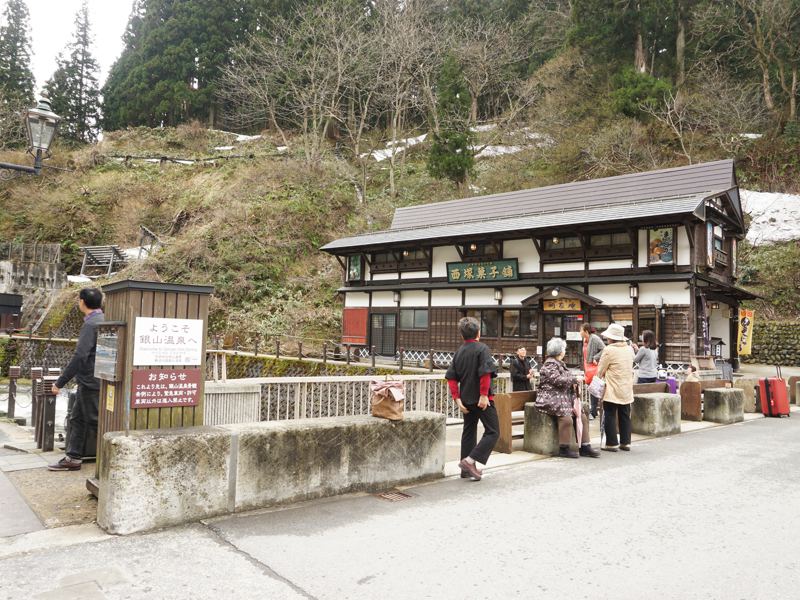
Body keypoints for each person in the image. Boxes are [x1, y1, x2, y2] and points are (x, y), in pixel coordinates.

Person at [48, 287, 104, 471]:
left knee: (96, 420)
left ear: (81, 302)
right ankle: (73, 458)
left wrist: (60, 382)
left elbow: (80, 356)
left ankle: (111, 459)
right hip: (95, 379)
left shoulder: (91, 324)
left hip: (91, 381)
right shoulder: (102, 319)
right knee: (77, 419)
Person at [445, 317, 499, 481]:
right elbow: (485, 373)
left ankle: (466, 470)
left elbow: (452, 378)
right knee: (493, 431)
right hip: (482, 400)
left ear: (462, 335)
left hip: (466, 399)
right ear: (478, 333)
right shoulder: (482, 349)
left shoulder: (459, 352)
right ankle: (469, 461)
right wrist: (483, 395)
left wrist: (457, 399)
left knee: (469, 431)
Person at [534, 337, 600, 458]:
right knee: (566, 418)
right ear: (559, 351)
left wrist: (573, 380)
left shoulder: (559, 364)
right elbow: (557, 380)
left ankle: (585, 446)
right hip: (550, 398)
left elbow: (564, 379)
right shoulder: (550, 364)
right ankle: (564, 448)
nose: (565, 351)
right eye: (564, 349)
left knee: (582, 416)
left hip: (560, 398)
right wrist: (574, 379)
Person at [596, 322, 634, 452]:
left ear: (612, 338)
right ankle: (626, 443)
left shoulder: (609, 350)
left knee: (610, 414)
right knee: (625, 414)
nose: (607, 339)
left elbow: (600, 370)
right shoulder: (629, 349)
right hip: (626, 387)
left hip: (612, 388)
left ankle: (612, 443)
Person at [580, 323, 605, 418]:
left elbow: (604, 349)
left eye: (581, 330)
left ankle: (593, 412)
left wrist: (596, 357)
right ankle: (593, 411)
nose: (580, 332)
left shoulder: (594, 338)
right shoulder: (585, 340)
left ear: (586, 331)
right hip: (588, 367)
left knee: (594, 388)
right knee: (591, 389)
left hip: (594, 367)